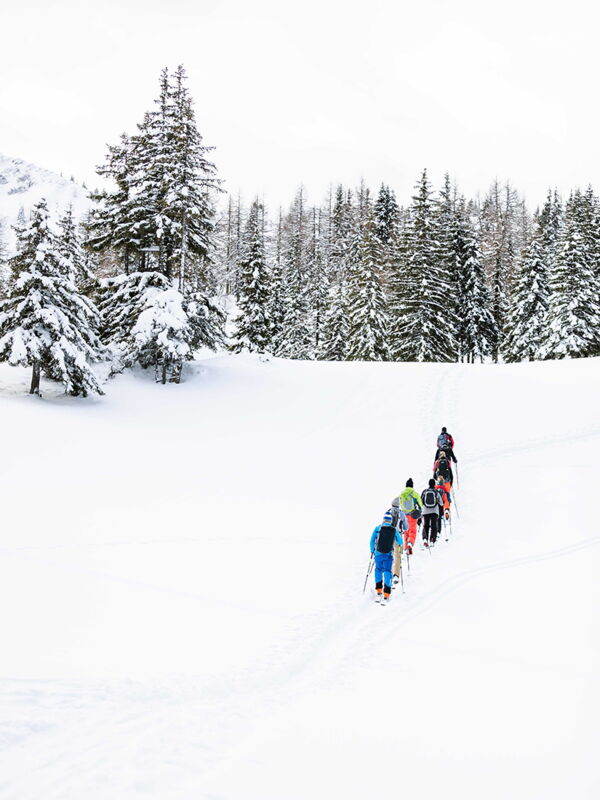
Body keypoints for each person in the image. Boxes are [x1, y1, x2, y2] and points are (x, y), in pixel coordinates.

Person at [370, 512, 403, 603]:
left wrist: (372, 550)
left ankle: (379, 590)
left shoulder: (377, 528)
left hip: (378, 554)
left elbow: (372, 541)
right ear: (390, 521)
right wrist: (399, 547)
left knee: (378, 570)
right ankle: (386, 593)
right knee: (388, 572)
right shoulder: (394, 530)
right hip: (388, 555)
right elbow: (400, 541)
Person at [395, 479, 422, 556]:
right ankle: (410, 544)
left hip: (404, 515)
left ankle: (405, 547)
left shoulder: (402, 494)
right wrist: (420, 512)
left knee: (406, 532)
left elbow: (400, 504)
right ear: (412, 485)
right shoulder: (414, 494)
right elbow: (420, 504)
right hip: (412, 515)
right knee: (412, 532)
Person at [388, 498, 408, 584]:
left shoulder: (388, 512)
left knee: (389, 554)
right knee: (398, 555)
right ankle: (396, 575)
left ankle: (388, 573)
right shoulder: (401, 513)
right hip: (398, 536)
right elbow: (406, 527)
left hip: (388, 536)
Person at [420, 478, 444, 547]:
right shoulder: (436, 492)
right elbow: (441, 503)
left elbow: (421, 501)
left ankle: (425, 538)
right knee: (434, 526)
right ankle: (432, 539)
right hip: (434, 511)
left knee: (426, 525)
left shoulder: (425, 491)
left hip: (425, 511)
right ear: (434, 484)